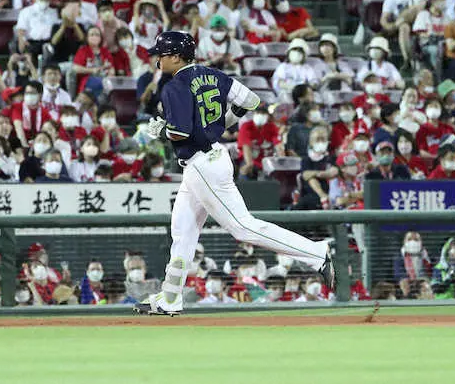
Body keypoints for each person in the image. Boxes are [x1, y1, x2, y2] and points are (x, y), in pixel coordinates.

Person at [134, 31, 333, 316]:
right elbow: (250, 100)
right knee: (182, 231)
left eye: (161, 54)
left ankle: (316, 253)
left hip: (202, 163)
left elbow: (181, 132)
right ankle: (170, 297)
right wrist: (221, 123)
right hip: (209, 158)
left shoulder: (174, 85)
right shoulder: (212, 74)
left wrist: (162, 131)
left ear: (176, 57)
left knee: (243, 227)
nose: (157, 60)